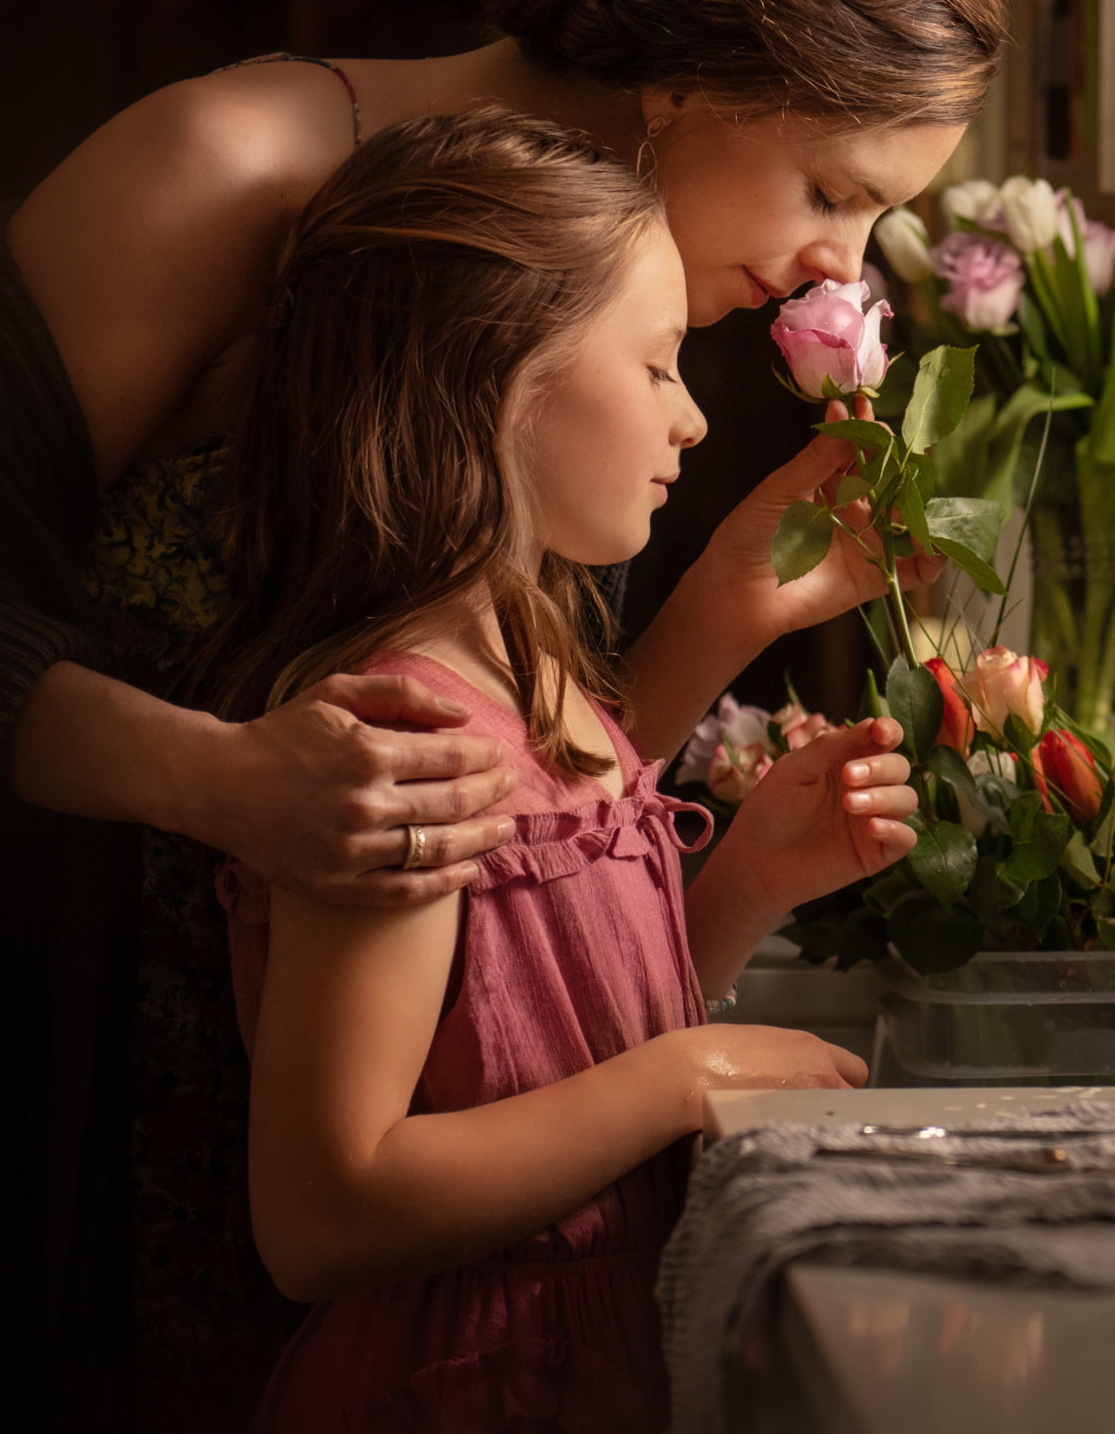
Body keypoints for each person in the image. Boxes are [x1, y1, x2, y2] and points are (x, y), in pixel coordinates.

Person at [0, 0, 1004, 1425]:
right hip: (61, 1111)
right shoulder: (232, 174)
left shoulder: (608, 319)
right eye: (832, 190)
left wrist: (715, 624)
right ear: (696, 75)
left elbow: (499, 852)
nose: (829, 272)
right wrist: (211, 778)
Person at [206, 105, 913, 1430]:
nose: (695, 419)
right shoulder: (407, 739)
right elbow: (320, 1208)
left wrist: (748, 879)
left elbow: (536, 1055)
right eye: (656, 367)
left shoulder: (545, 697)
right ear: (496, 382)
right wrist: (680, 1079)